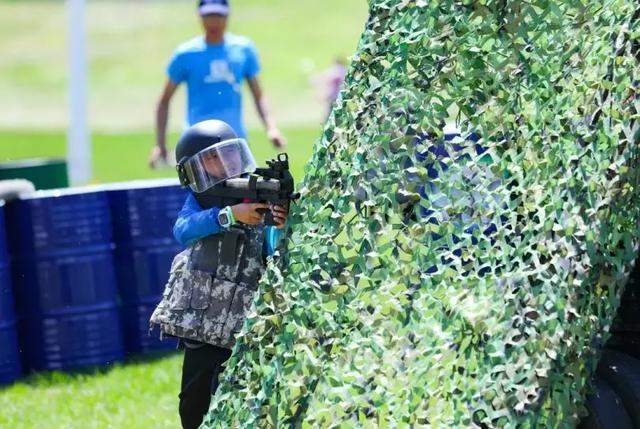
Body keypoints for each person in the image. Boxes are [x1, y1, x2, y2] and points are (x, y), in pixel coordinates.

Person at [150, 120, 289, 429]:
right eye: (211, 158)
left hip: (244, 320)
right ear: (193, 169)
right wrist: (228, 215)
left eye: (227, 154)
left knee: (242, 400)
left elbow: (272, 251)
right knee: (193, 405)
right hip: (204, 321)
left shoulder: (255, 190)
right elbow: (183, 230)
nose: (222, 163)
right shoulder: (200, 200)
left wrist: (278, 224)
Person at [149, 0, 286, 168]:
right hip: (196, 143)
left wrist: (272, 128)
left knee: (243, 192)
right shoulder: (185, 54)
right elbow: (164, 100)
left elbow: (258, 95)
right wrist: (160, 144)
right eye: (208, 16)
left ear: (227, 16)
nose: (213, 22)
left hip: (234, 140)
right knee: (200, 194)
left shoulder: (243, 49)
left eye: (218, 16)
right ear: (200, 17)